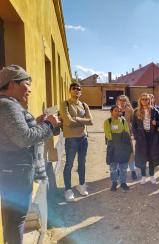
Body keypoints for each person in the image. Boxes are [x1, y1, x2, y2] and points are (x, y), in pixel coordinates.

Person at [0, 65, 60, 244]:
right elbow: (24, 138)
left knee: (14, 220)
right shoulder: (7, 106)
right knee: (15, 221)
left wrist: (38, 122)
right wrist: (48, 125)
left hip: (13, 172)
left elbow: (20, 132)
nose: (30, 89)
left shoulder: (10, 105)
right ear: (12, 84)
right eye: (27, 83)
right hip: (15, 173)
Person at [60, 83, 93, 202]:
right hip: (71, 139)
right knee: (69, 164)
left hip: (83, 138)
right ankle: (68, 190)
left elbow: (91, 121)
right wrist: (82, 121)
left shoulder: (84, 105)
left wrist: (78, 119)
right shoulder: (65, 104)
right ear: (70, 90)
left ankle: (81, 185)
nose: (77, 90)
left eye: (79, 89)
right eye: (74, 89)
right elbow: (68, 122)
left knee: (82, 163)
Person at [132, 93, 159, 184]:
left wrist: (156, 123)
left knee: (152, 156)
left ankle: (152, 176)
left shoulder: (154, 110)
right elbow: (133, 126)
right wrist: (137, 136)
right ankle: (143, 176)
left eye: (146, 99)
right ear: (140, 100)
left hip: (152, 137)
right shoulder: (136, 111)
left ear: (149, 100)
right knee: (142, 157)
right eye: (143, 99)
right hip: (142, 137)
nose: (145, 101)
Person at [104, 105, 132, 192]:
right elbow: (108, 134)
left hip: (122, 147)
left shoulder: (123, 121)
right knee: (113, 167)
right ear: (111, 112)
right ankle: (114, 183)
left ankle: (123, 183)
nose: (117, 112)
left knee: (123, 166)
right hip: (113, 147)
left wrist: (120, 139)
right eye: (115, 111)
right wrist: (118, 138)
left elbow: (126, 133)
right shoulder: (107, 122)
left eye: (119, 111)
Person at [116, 95, 137, 180]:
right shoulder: (115, 109)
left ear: (127, 101)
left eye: (124, 100)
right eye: (120, 100)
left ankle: (133, 171)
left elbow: (133, 122)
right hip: (117, 136)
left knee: (130, 154)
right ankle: (117, 171)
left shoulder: (130, 110)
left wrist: (132, 131)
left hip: (127, 135)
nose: (122, 101)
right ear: (118, 101)